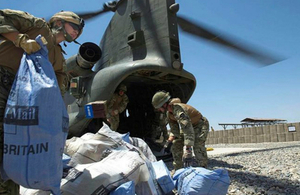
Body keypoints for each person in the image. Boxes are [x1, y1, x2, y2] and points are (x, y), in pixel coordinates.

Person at [0, 9, 84, 194]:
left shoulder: (58, 57)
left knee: (12, 145)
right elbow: (2, 17)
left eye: (79, 30)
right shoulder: (37, 25)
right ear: (60, 22)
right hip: (2, 79)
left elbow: (60, 81)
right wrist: (20, 39)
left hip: (22, 97)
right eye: (75, 26)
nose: (78, 31)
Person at [152, 91, 210, 172]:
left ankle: (204, 170)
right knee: (176, 144)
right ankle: (178, 170)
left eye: (159, 107)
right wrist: (168, 143)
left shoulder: (179, 110)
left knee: (197, 146)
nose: (159, 110)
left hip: (199, 125)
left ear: (164, 104)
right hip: (188, 127)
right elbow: (174, 130)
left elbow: (188, 131)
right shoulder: (169, 114)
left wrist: (188, 149)